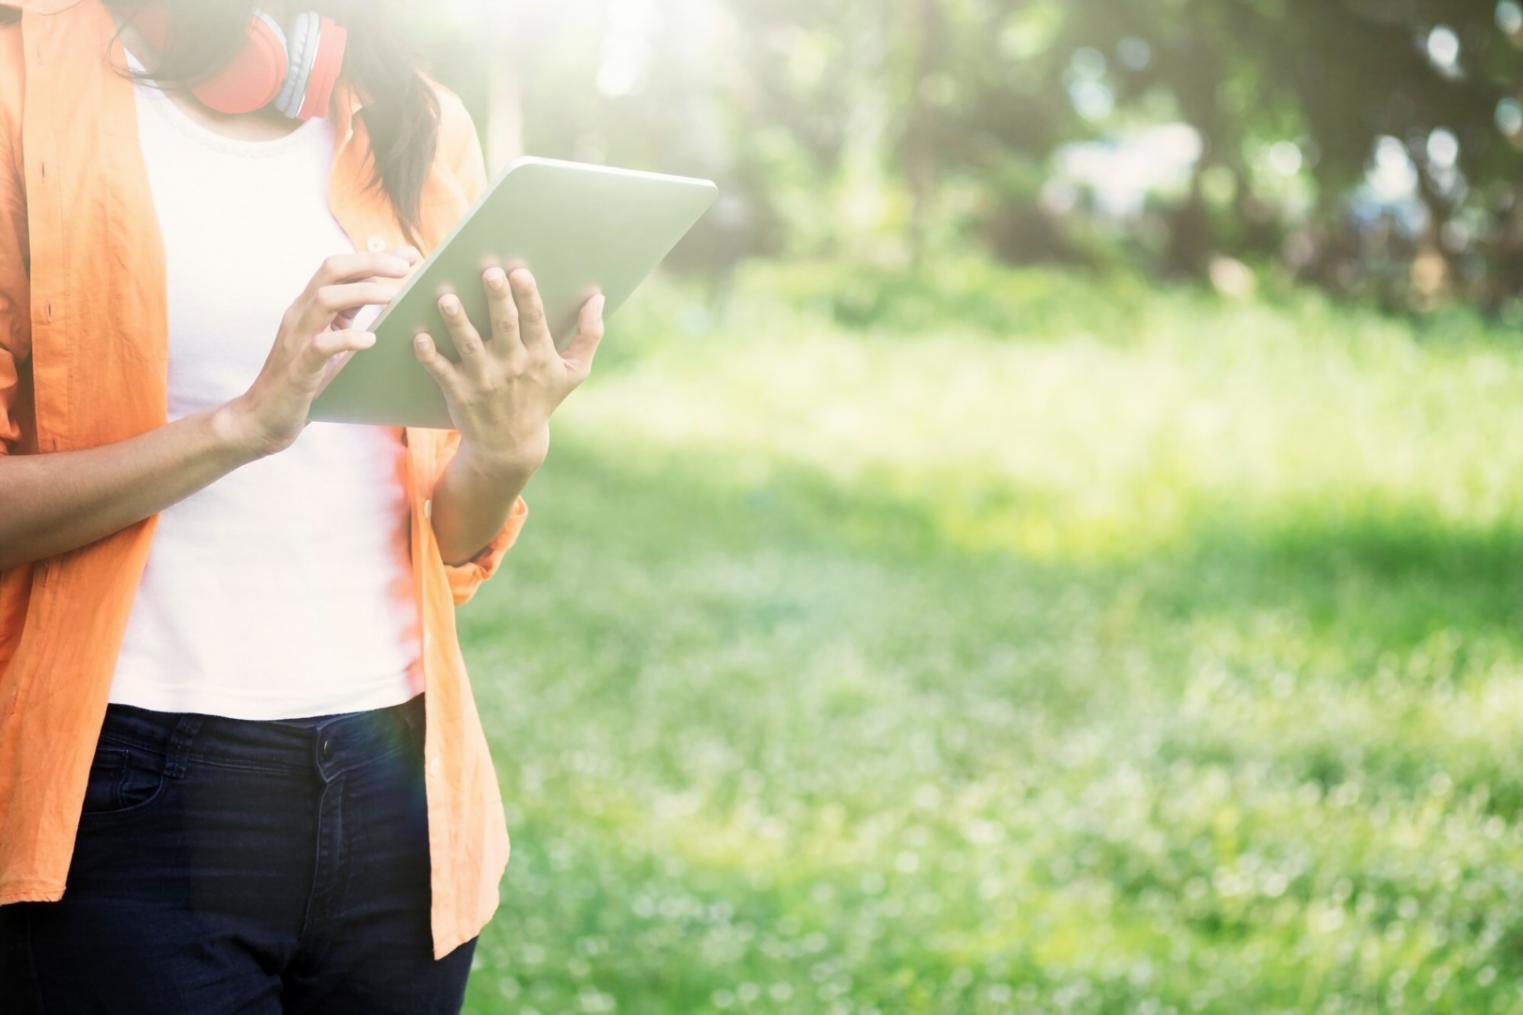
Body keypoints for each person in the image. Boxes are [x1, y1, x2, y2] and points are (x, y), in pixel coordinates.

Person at [0, 1, 604, 1011]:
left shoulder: (419, 118)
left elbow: (445, 536)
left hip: (397, 780)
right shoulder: (21, 90)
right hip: (129, 790)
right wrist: (241, 425)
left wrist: (506, 448)